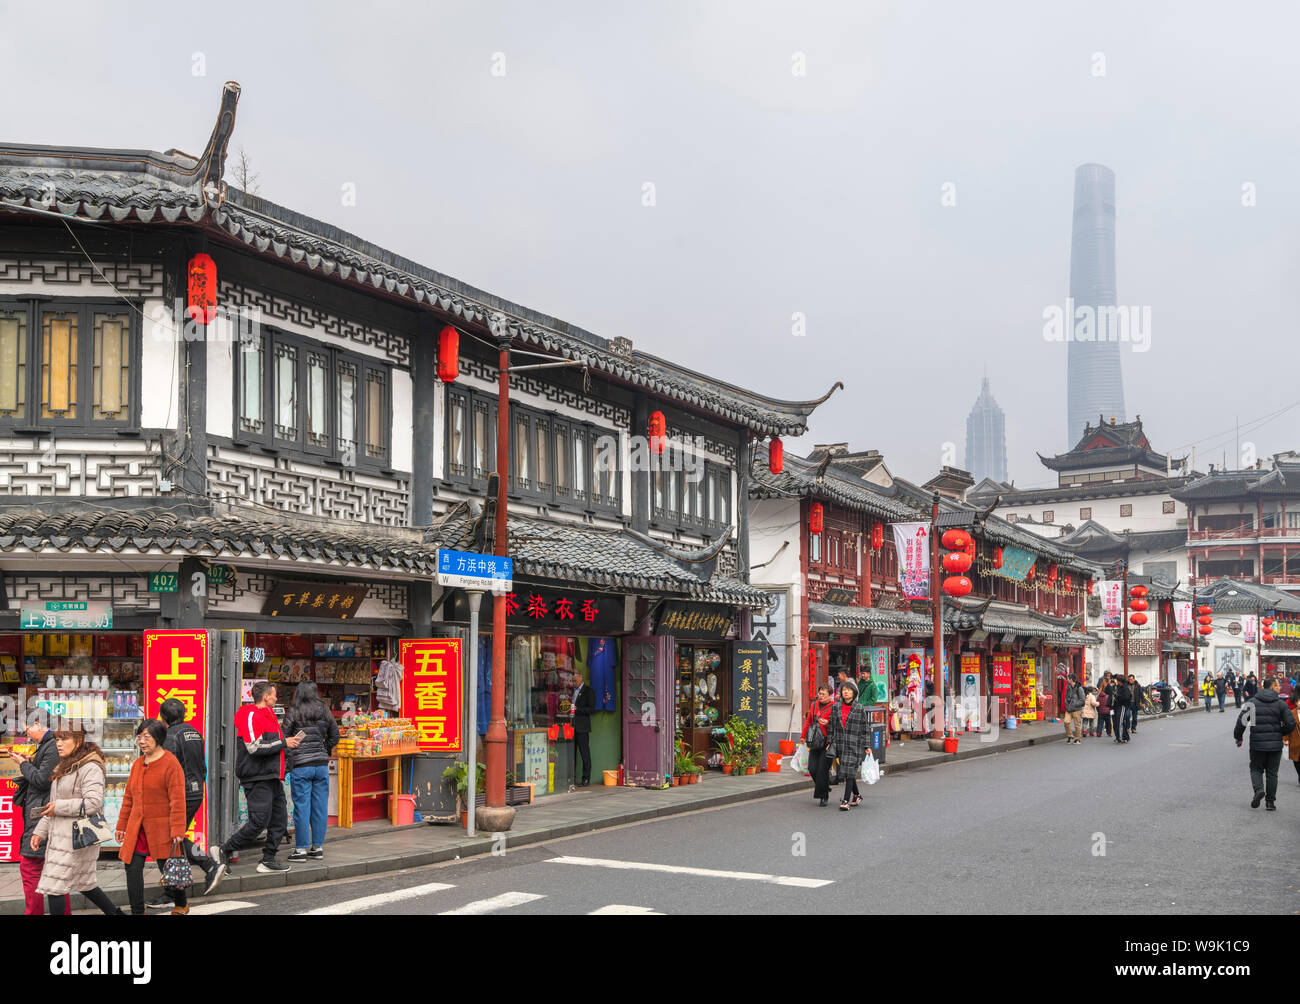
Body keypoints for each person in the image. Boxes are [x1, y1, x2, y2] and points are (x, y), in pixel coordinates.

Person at [210, 682, 302, 876]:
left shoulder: (268, 715)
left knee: (279, 821)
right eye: (274, 695)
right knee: (258, 822)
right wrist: (284, 742)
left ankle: (268, 858)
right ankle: (223, 850)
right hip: (257, 776)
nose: (277, 698)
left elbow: (270, 745)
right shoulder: (251, 714)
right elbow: (254, 747)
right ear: (266, 697)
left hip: (271, 776)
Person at [28, 729, 123, 916]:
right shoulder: (65, 765)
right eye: (57, 739)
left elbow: (94, 803)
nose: (58, 743)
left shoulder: (90, 767)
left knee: (54, 885)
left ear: (78, 741)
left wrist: (59, 807)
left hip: (77, 837)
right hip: (63, 837)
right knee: (85, 884)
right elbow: (53, 805)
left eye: (64, 738)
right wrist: (40, 831)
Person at [146, 698, 219, 909]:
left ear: (163, 718)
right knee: (173, 838)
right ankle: (173, 889)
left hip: (181, 793)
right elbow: (201, 764)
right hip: (196, 790)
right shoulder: (195, 733)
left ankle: (209, 866)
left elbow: (167, 768)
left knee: (170, 836)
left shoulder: (170, 737)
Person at [114, 719, 190, 915]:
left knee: (169, 868)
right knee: (132, 868)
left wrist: (177, 830)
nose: (142, 741)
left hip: (162, 828)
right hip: (137, 827)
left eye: (146, 737)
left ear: (159, 738)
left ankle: (181, 904)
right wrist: (121, 825)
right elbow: (128, 798)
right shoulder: (138, 764)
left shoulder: (170, 764)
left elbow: (177, 800)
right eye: (139, 737)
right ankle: (137, 911)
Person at [7, 709, 69, 915]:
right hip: (44, 812)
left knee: (31, 867)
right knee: (52, 872)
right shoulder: (49, 745)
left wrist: (23, 764)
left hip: (42, 814)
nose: (26, 731)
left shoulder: (51, 745)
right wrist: (30, 762)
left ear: (38, 724)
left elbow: (43, 780)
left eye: (27, 726)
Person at [283, 681, 339, 861]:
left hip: (301, 766)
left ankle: (300, 850)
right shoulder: (324, 709)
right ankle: (317, 847)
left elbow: (284, 736)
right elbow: (335, 735)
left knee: (302, 807)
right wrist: (325, 748)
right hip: (321, 765)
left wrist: (293, 753)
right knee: (320, 807)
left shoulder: (294, 710)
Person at [1233, 676, 1298, 811]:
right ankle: (1270, 803)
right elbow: (1291, 724)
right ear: (1273, 687)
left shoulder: (1252, 702)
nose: (1280, 687)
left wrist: (1238, 736)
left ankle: (1258, 790)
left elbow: (1242, 722)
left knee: (1256, 769)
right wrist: (1280, 732)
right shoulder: (1281, 704)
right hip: (1275, 745)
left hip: (1257, 744)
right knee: (1272, 773)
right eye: (1278, 685)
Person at [825, 680, 870, 811]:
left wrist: (867, 745)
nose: (846, 692)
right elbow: (831, 726)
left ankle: (845, 800)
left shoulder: (859, 708)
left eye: (849, 690)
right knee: (847, 771)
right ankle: (857, 795)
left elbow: (865, 728)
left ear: (854, 693)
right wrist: (829, 742)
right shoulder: (836, 707)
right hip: (840, 744)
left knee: (849, 771)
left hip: (854, 744)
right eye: (844, 690)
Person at [799, 685, 834, 806]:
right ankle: (824, 785)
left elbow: (838, 724)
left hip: (827, 742)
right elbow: (809, 721)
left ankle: (824, 796)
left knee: (822, 770)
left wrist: (828, 723)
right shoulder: (814, 705)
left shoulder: (834, 707)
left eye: (823, 694)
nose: (821, 696)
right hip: (814, 740)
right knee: (812, 769)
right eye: (819, 693)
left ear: (830, 696)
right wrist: (803, 736)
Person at [571, 671, 595, 787]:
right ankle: (571, 778)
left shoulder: (588, 691)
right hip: (571, 726)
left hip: (582, 727)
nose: (573, 683)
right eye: (572, 681)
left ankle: (586, 778)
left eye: (575, 680)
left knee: (584, 754)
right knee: (571, 754)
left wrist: (577, 709)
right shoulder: (572, 692)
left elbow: (591, 709)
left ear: (581, 678)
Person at [1062, 675, 1085, 744]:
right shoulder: (1068, 687)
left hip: (1077, 709)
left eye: (1068, 679)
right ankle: (1070, 735)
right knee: (1066, 722)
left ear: (1071, 679)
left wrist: (1074, 704)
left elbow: (1082, 700)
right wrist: (1066, 705)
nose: (1067, 680)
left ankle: (1078, 739)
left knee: (1077, 724)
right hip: (1069, 709)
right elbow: (1066, 697)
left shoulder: (1079, 688)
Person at [1285, 692, 1300, 786]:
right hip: (1295, 739)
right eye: (1299, 701)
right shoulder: (1291, 713)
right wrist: (1286, 739)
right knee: (1296, 760)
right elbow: (1286, 726)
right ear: (1296, 702)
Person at [1112, 674, 1131, 743]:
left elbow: (1126, 698)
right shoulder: (1117, 687)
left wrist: (1117, 696)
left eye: (1117, 680)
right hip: (1115, 707)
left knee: (1120, 722)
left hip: (1122, 706)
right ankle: (1124, 736)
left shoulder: (1125, 688)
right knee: (1116, 722)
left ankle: (1120, 737)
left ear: (1120, 681)